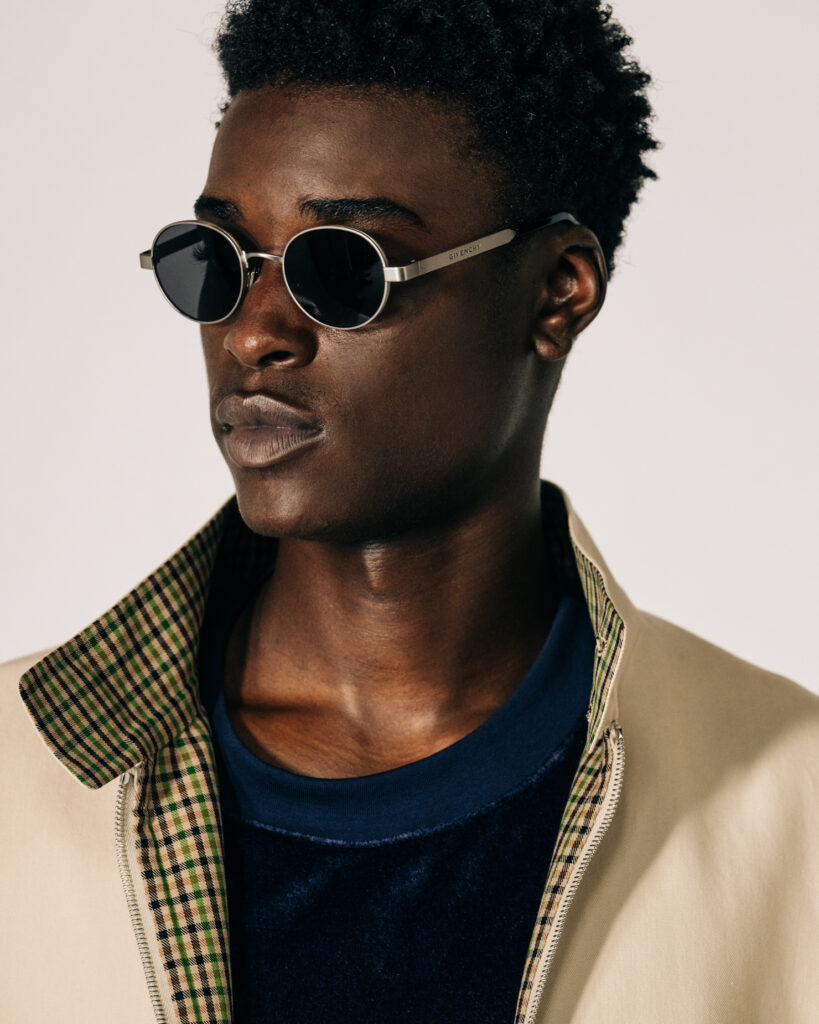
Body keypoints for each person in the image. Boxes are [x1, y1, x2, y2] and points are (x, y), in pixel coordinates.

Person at [2, 1, 817, 1021]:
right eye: (215, 260)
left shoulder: (790, 798)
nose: (252, 335)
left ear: (557, 291)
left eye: (340, 269)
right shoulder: (18, 776)